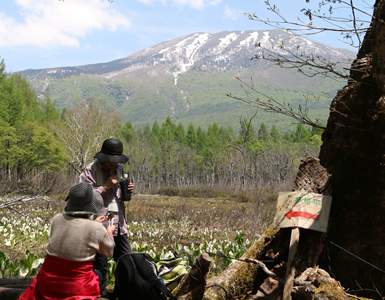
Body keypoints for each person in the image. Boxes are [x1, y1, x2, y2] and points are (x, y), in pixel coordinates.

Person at [19, 182, 115, 300]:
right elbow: (109, 252)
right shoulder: (96, 228)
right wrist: (109, 232)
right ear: (91, 205)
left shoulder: (57, 219)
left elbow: (75, 228)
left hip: (48, 284)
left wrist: (93, 224)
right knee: (98, 275)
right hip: (77, 288)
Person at [79, 138, 134, 298]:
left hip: (119, 225)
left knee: (126, 262)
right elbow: (83, 197)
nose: (114, 164)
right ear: (103, 157)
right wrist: (105, 187)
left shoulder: (120, 168)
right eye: (111, 160)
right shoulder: (90, 170)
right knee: (100, 265)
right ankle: (100, 295)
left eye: (116, 160)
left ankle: (120, 294)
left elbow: (120, 196)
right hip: (99, 226)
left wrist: (129, 190)